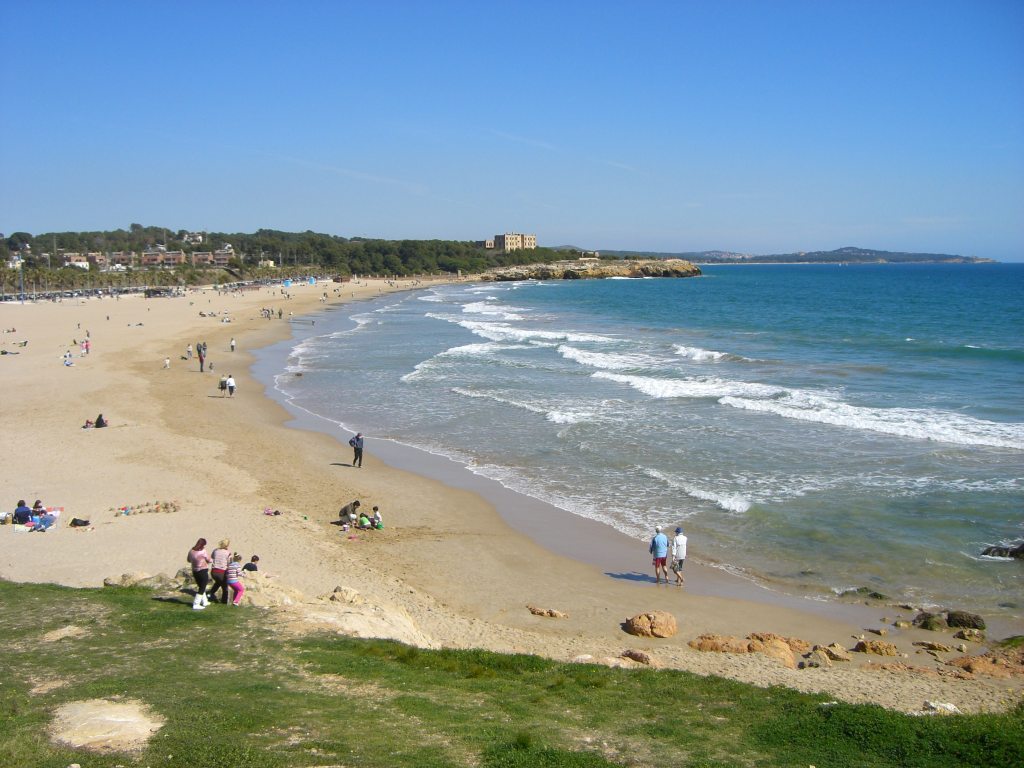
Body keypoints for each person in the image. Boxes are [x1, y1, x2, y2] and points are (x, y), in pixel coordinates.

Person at [187, 538, 212, 610]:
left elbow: (188, 560)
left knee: (201, 586)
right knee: (202, 587)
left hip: (195, 571)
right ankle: (196, 603)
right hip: (202, 570)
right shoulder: (203, 552)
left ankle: (205, 601)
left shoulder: (191, 551)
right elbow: (209, 560)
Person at [208, 539, 232, 604]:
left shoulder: (215, 550)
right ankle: (224, 602)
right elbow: (229, 563)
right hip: (221, 573)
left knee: (218, 582)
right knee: (225, 588)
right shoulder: (228, 553)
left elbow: (212, 557)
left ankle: (211, 593)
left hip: (213, 572)